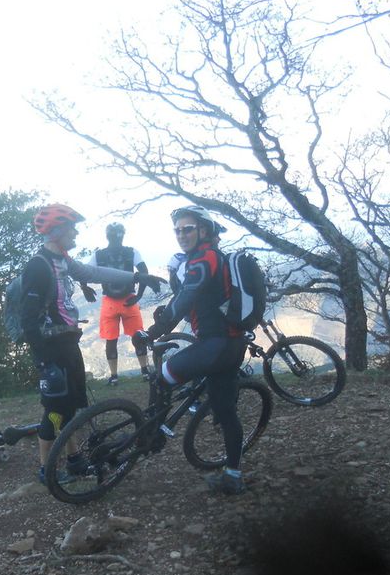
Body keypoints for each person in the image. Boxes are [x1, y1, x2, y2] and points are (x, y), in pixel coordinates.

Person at [20, 204, 164, 484]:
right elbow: (28, 319)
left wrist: (136, 277)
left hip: (67, 342)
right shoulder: (38, 266)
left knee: (71, 406)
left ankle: (74, 461)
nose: (76, 232)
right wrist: (42, 360)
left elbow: (93, 274)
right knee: (55, 410)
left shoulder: (61, 259)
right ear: (58, 230)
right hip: (51, 349)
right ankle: (45, 469)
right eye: (72, 228)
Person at [132, 205, 248, 495]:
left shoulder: (202, 259)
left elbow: (187, 297)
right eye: (178, 230)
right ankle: (233, 475)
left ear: (204, 231)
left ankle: (155, 434)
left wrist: (152, 332)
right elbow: (190, 297)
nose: (182, 235)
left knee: (162, 378)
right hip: (232, 346)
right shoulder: (213, 257)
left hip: (215, 345)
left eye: (188, 229)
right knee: (226, 411)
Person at [83, 222, 153, 386]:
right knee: (138, 336)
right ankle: (145, 372)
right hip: (129, 298)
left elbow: (84, 272)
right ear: (124, 235)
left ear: (107, 236)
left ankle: (114, 377)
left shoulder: (98, 255)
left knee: (111, 339)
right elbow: (144, 272)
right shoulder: (131, 252)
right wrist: (139, 295)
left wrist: (85, 287)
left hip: (110, 301)